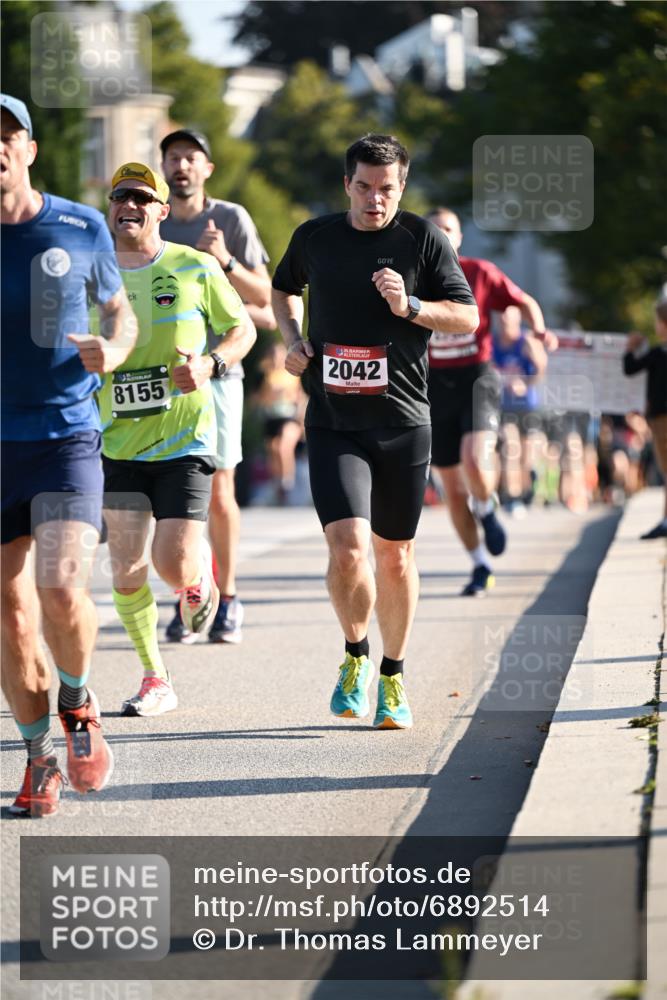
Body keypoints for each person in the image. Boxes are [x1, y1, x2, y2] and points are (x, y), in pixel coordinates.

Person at [272, 135, 478, 729]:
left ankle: (393, 675)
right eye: (363, 187)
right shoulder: (315, 237)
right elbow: (282, 289)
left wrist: (410, 306)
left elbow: (466, 314)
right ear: (347, 185)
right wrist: (292, 341)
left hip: (403, 422)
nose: (374, 200)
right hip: (335, 421)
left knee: (395, 556)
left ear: (402, 187)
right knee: (349, 548)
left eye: (386, 189)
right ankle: (355, 655)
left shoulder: (422, 239)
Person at [1, 95, 137, 816]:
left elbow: (120, 310)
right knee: (12, 617)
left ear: (29, 148)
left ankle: (78, 706)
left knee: (59, 588)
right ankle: (37, 758)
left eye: (6, 135)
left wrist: (112, 349)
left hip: (64, 436)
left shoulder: (80, 225)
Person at [100, 162, 253, 717]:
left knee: (170, 562)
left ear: (163, 211)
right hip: (117, 441)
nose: (130, 206)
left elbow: (244, 330)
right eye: (121, 197)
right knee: (124, 566)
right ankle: (154, 677)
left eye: (143, 198)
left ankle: (197, 578)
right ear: (110, 206)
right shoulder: (95, 275)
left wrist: (211, 364)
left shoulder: (195, 266)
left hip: (185, 439)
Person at [159, 128, 274, 645]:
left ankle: (227, 598)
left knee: (220, 489)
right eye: (173, 157)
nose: (181, 166)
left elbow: (268, 302)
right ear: (163, 167)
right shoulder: (152, 221)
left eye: (191, 158)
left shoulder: (229, 219)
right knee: (172, 496)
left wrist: (225, 260)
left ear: (207, 168)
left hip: (221, 372)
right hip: (163, 379)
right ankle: (190, 595)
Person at [425, 207, 555, 596]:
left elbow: (524, 301)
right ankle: (480, 564)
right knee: (451, 487)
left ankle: (488, 507)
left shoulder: (479, 272)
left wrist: (540, 330)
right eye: (434, 231)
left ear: (460, 237)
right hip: (434, 385)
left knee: (472, 457)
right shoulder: (411, 278)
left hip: (477, 377)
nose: (443, 236)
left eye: (449, 229)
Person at [493, 305, 548, 516]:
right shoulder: (494, 343)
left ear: (517, 322)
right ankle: (512, 497)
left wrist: (526, 382)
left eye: (509, 321)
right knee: (510, 446)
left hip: (527, 406)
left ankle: (527, 487)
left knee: (526, 457)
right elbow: (487, 368)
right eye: (503, 321)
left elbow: (540, 370)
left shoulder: (526, 342)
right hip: (504, 407)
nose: (505, 325)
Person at [623, 289, 667, 538]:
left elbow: (630, 368)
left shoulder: (658, 354)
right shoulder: (657, 353)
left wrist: (630, 348)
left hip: (661, 417)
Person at [253, 341, 306, 504]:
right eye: (274, 355)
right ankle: (278, 482)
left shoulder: (293, 373)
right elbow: (256, 400)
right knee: (274, 450)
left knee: (284, 446)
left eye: (280, 354)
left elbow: (301, 396)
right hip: (272, 417)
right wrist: (268, 395)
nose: (277, 358)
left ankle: (287, 483)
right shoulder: (265, 375)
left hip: (290, 416)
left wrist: (302, 417)